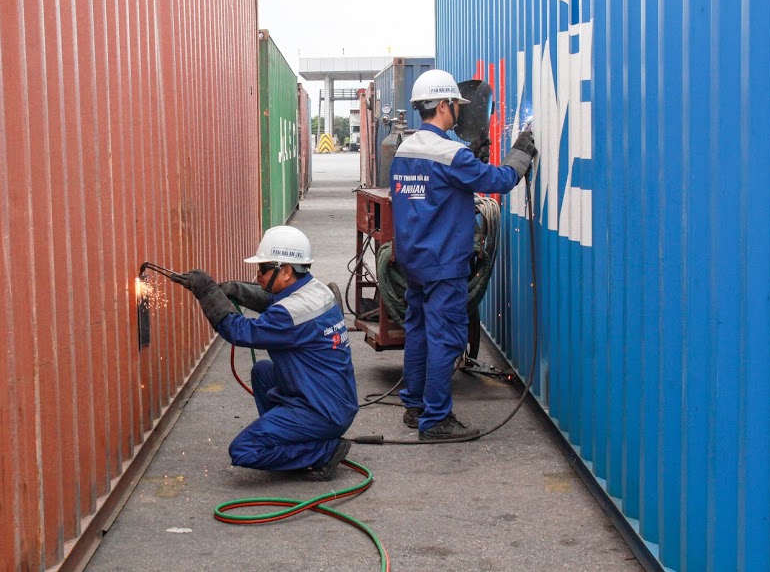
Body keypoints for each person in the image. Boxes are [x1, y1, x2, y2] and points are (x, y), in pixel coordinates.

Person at [389, 69, 537, 441]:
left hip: (413, 259)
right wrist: (520, 154)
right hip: (443, 262)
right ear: (443, 105)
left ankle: (415, 405)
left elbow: (433, 191)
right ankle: (436, 419)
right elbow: (498, 180)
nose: (459, 111)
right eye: (456, 105)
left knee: (419, 331)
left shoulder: (405, 150)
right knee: (446, 338)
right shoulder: (451, 153)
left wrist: (470, 158)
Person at [171, 226, 358, 480]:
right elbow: (272, 301)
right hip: (334, 399)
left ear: (287, 270)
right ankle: (290, 439)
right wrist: (236, 290)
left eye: (262, 270)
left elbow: (240, 331)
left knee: (244, 450)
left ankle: (324, 449)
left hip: (321, 410)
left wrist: (207, 293)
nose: (258, 276)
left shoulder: (290, 314)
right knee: (262, 372)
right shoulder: (316, 290)